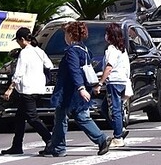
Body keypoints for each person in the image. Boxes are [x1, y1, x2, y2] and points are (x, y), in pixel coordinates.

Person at [41, 22, 112, 157]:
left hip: (69, 91)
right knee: (80, 116)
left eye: (66, 34)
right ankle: (101, 139)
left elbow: (74, 70)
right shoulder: (84, 49)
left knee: (61, 118)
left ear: (71, 35)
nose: (65, 37)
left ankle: (58, 147)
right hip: (78, 90)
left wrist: (80, 88)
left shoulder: (72, 51)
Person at [0, 27, 53, 154]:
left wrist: (10, 89)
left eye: (18, 41)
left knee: (32, 118)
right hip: (38, 89)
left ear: (22, 39)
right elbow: (50, 66)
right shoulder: (39, 51)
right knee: (19, 118)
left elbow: (18, 73)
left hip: (27, 90)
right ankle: (16, 146)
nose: (18, 43)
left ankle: (50, 141)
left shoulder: (25, 53)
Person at [93, 23, 131, 148]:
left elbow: (109, 67)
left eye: (107, 33)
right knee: (105, 108)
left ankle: (118, 137)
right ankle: (119, 128)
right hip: (122, 81)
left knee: (115, 109)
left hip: (114, 82)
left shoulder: (111, 49)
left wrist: (100, 83)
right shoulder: (122, 49)